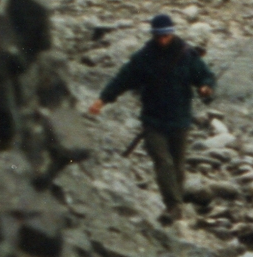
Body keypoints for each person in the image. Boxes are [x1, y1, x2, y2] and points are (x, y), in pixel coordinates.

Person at [89, 13, 216, 221]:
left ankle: (176, 206)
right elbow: (122, 79)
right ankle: (174, 206)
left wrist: (206, 87)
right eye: (158, 36)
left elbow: (205, 75)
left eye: (166, 36)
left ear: (172, 33)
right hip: (153, 121)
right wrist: (102, 100)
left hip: (180, 120)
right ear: (153, 35)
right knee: (162, 162)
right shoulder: (144, 57)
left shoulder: (186, 54)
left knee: (178, 166)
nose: (162, 40)